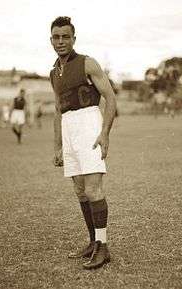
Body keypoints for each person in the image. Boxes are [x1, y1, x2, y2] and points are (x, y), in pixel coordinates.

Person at [50, 16, 116, 270]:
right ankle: (92, 242)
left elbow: (110, 98)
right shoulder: (53, 72)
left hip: (89, 124)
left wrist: (105, 133)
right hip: (69, 128)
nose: (61, 41)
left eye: (66, 36)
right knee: (80, 190)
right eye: (56, 37)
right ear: (51, 40)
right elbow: (57, 110)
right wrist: (58, 145)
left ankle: (104, 246)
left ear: (73, 38)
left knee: (93, 189)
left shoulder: (88, 63)